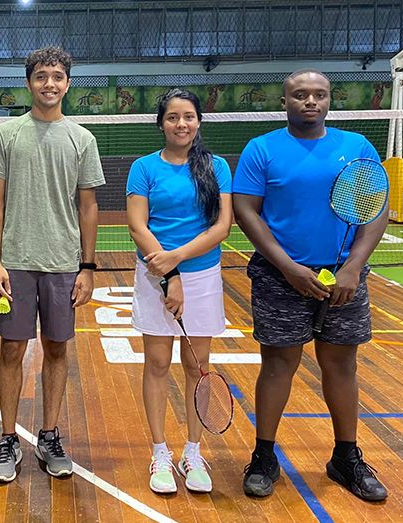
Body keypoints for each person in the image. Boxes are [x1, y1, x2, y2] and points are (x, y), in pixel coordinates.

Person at [233, 68, 388, 501]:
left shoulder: (356, 147)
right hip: (280, 277)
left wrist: (354, 266)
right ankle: (264, 456)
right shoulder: (261, 149)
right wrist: (286, 267)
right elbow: (247, 211)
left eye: (319, 94)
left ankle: (345, 457)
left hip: (342, 277)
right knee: (278, 365)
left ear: (329, 100)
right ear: (284, 101)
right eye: (300, 95)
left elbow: (374, 208)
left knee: (341, 366)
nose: (310, 102)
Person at [0, 46, 105, 483]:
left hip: (62, 264)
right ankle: (8, 438)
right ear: (29, 82)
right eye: (40, 76)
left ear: (67, 83)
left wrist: (87, 267)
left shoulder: (82, 138)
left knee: (56, 349)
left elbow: (88, 206)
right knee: (11, 350)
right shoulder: (6, 133)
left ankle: (49, 435)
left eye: (57, 76)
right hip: (14, 262)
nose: (49, 83)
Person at [126, 88, 232, 494]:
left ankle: (192, 450)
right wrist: (168, 273)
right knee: (156, 363)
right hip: (155, 273)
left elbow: (221, 227)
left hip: (201, 275)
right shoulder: (144, 167)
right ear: (161, 124)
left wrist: (179, 261)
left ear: (198, 121)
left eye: (188, 116)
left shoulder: (217, 166)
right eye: (172, 117)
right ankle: (159, 453)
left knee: (196, 366)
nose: (181, 124)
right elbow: (138, 225)